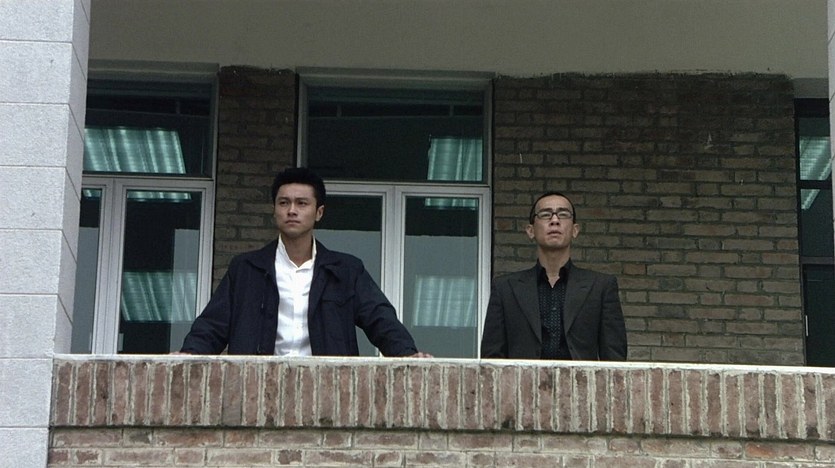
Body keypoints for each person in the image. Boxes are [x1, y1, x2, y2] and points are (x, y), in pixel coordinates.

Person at [180, 167, 431, 358]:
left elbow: (380, 320)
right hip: (257, 390)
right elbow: (212, 325)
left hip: (327, 391)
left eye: (301, 203)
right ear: (274, 210)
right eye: (284, 203)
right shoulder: (246, 269)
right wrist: (188, 355)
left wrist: (407, 355)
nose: (292, 210)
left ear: (318, 212)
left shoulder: (345, 271)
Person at [480, 191, 627, 361]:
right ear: (530, 230)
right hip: (523, 378)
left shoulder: (601, 287)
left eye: (563, 214)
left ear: (575, 230)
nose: (555, 220)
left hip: (581, 378)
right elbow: (491, 360)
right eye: (545, 214)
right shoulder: (505, 288)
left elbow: (615, 361)